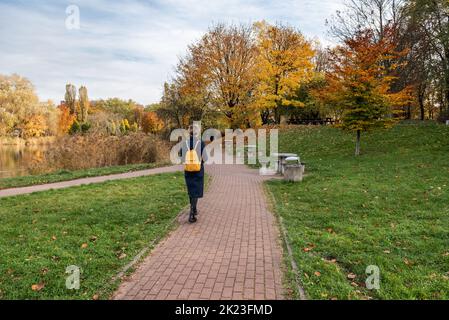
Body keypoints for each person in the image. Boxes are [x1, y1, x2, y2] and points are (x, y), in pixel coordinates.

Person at [183, 125, 207, 223]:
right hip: (198, 170)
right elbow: (205, 157)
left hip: (188, 169)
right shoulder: (200, 143)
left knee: (191, 190)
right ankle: (192, 213)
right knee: (196, 190)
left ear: (189, 132)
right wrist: (200, 162)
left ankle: (194, 209)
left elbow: (180, 155)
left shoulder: (185, 143)